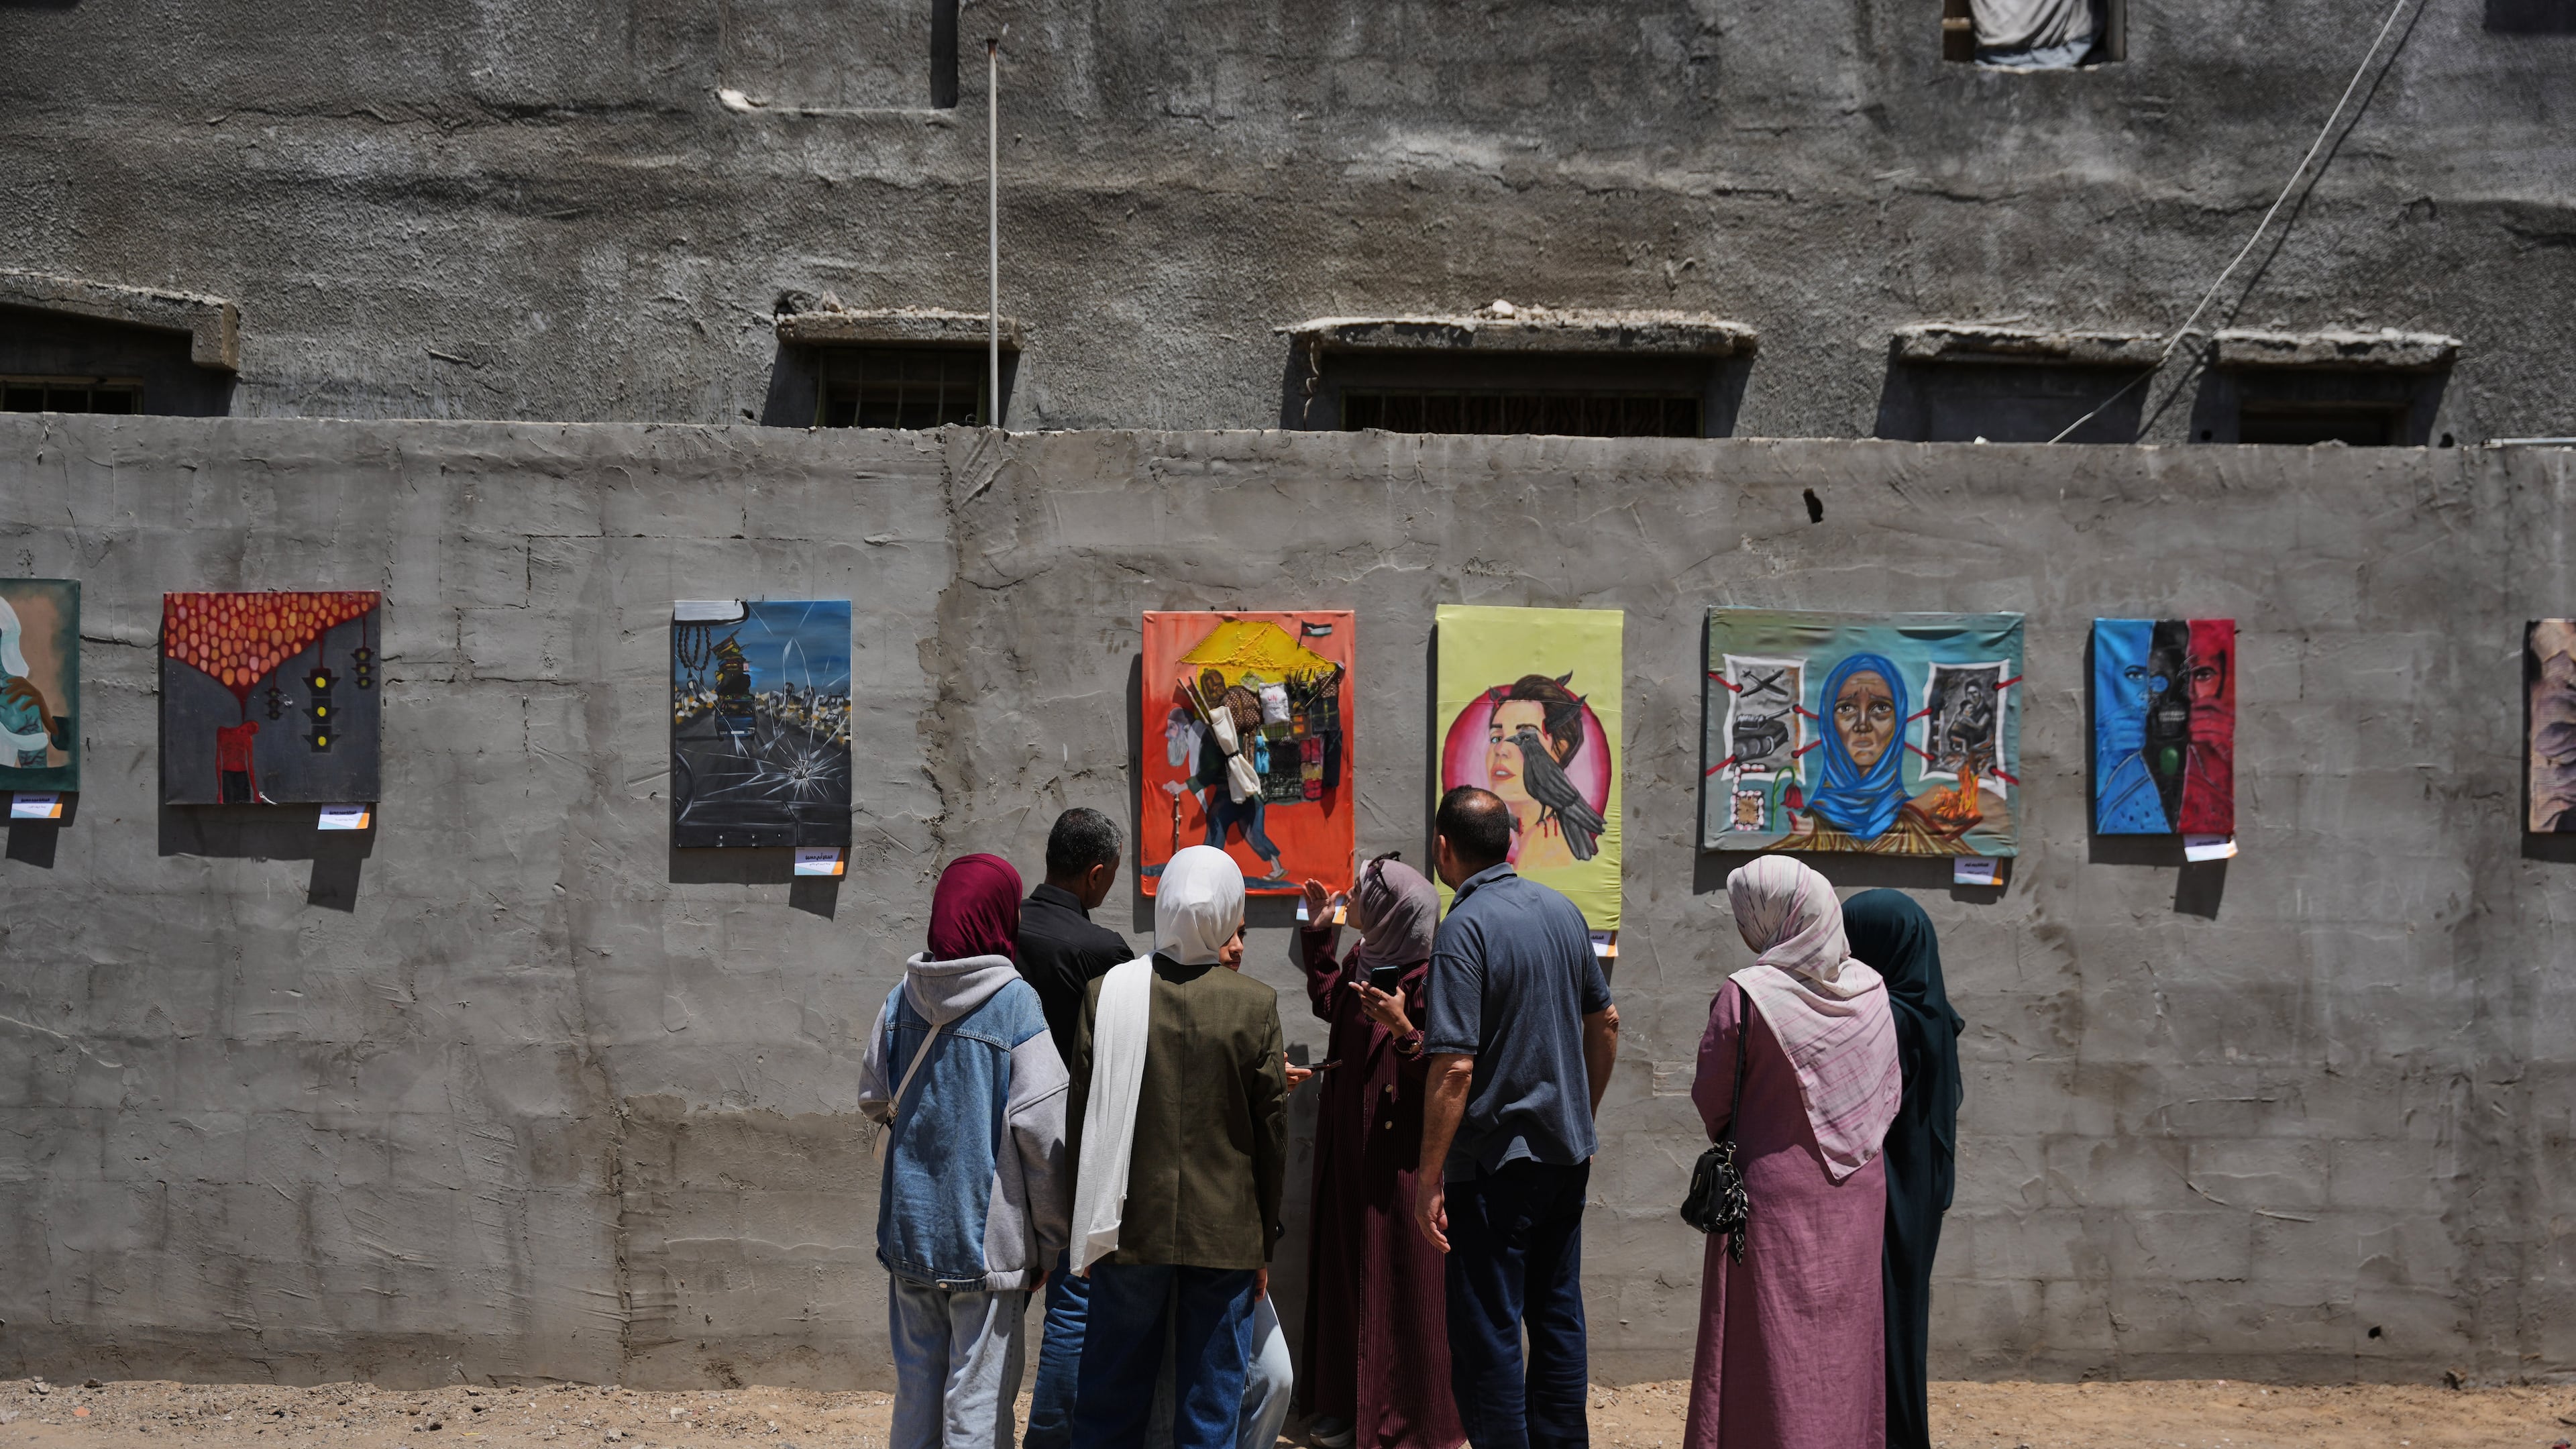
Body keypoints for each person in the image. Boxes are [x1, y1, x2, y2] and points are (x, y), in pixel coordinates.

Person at [1414, 788, 1619, 1449]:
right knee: (1557, 1316)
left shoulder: (1463, 930)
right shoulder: (1562, 912)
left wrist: (1428, 1176)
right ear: (1509, 842)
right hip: (1564, 1156)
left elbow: (1454, 1068)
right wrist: (1581, 1115)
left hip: (1494, 1166)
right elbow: (1606, 1021)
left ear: (1443, 847)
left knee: (1489, 1331)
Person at [1067, 845, 1289, 1449]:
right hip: (1227, 1234)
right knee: (1211, 1408)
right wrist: (1263, 1240)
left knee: (1109, 1400)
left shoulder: (1107, 994)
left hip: (1125, 1227)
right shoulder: (1254, 1004)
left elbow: (1082, 1117)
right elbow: (1272, 1135)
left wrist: (1077, 1221)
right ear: (1228, 912)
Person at [1684, 857, 1902, 1449]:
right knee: (1845, 1341)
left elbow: (1713, 1099)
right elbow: (1889, 1092)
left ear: (1771, 917)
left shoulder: (1745, 996)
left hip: (1772, 1200)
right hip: (1859, 1191)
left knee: (1766, 1341)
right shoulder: (1872, 989)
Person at [858, 854, 1070, 1449]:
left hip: (910, 1234)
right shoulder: (1016, 1004)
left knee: (916, 1395)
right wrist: (1049, 1242)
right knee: (975, 1405)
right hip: (986, 1247)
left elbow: (873, 1096)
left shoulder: (901, 998)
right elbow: (1043, 1132)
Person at [1293, 853, 1464, 1449]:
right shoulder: (1364, 960)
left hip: (1400, 1160)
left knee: (1402, 1282)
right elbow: (1329, 1002)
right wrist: (1321, 933)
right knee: (1348, 1272)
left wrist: (1404, 1031)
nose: (1353, 896)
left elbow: (1447, 1072)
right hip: (1349, 1148)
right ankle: (1347, 1405)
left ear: (1394, 911)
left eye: (1364, 892)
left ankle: (1410, 1420)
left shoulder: (1430, 980)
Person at [1017, 808, 1139, 1449]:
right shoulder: (1102, 951)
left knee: (998, 1305)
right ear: (1095, 874)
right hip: (1074, 1147)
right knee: (1072, 1302)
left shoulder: (1000, 929)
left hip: (1000, 1146)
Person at [1843, 890, 1964, 1449]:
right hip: (1918, 1184)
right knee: (1903, 1311)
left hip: (1885, 1188)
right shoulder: (1931, 1009)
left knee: (1882, 1312)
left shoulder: (1886, 1019)